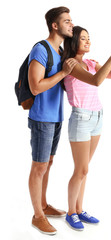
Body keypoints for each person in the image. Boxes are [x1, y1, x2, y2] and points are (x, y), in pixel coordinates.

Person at [62, 26, 111, 230]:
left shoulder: (90, 62)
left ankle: (79, 209)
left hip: (97, 116)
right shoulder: (70, 64)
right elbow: (96, 81)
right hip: (81, 118)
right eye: (83, 39)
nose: (88, 41)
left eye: (89, 38)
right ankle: (70, 213)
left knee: (85, 170)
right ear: (73, 42)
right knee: (81, 169)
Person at [28, 7, 77, 235]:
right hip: (42, 118)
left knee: (48, 164)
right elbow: (35, 87)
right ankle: (37, 216)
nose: (71, 24)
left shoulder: (60, 50)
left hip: (56, 116)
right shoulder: (41, 49)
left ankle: (44, 205)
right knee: (39, 166)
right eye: (67, 21)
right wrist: (62, 74)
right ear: (55, 25)